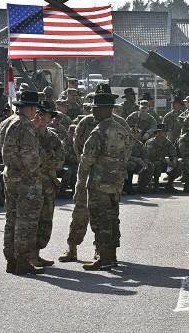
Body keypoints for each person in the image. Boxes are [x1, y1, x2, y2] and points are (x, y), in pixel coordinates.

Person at [59, 84, 129, 263]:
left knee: (106, 215)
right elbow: (78, 147)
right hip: (86, 177)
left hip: (104, 177)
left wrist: (103, 165)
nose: (94, 110)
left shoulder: (120, 123)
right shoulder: (85, 122)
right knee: (80, 212)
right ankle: (72, 247)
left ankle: (103, 252)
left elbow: (127, 150)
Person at [76, 91, 132, 270]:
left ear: (104, 110)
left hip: (99, 183)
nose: (93, 113)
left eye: (96, 109)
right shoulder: (122, 129)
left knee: (100, 221)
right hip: (116, 182)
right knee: (113, 218)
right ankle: (112, 254)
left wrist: (82, 178)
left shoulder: (98, 131)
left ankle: (103, 257)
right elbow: (128, 152)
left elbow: (87, 159)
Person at [0, 90, 44, 275]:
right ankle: (23, 260)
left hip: (10, 174)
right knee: (26, 221)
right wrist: (37, 172)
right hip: (26, 178)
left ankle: (11, 259)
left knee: (12, 218)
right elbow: (28, 155)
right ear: (32, 107)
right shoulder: (25, 125)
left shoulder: (7, 122)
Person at [33, 101, 65, 268]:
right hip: (32, 184)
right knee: (31, 220)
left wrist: (43, 156)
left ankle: (37, 254)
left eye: (47, 115)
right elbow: (30, 157)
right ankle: (28, 256)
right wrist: (47, 157)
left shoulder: (52, 136)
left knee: (46, 220)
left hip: (49, 184)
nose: (44, 117)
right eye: (40, 113)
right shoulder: (30, 134)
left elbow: (60, 159)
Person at [146, 124, 181, 193]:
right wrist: (165, 160)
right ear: (158, 133)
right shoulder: (151, 142)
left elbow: (173, 153)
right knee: (157, 164)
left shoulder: (168, 142)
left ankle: (169, 184)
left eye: (166, 131)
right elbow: (152, 156)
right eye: (164, 131)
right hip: (155, 162)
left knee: (180, 164)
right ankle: (156, 184)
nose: (166, 133)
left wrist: (174, 160)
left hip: (167, 163)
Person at [124, 125, 155, 195]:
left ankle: (142, 187)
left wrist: (145, 163)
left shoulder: (139, 144)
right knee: (131, 164)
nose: (135, 134)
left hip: (137, 164)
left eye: (136, 133)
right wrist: (138, 160)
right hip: (125, 163)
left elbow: (145, 155)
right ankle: (127, 187)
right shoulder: (125, 143)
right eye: (133, 133)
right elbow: (124, 155)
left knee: (151, 166)